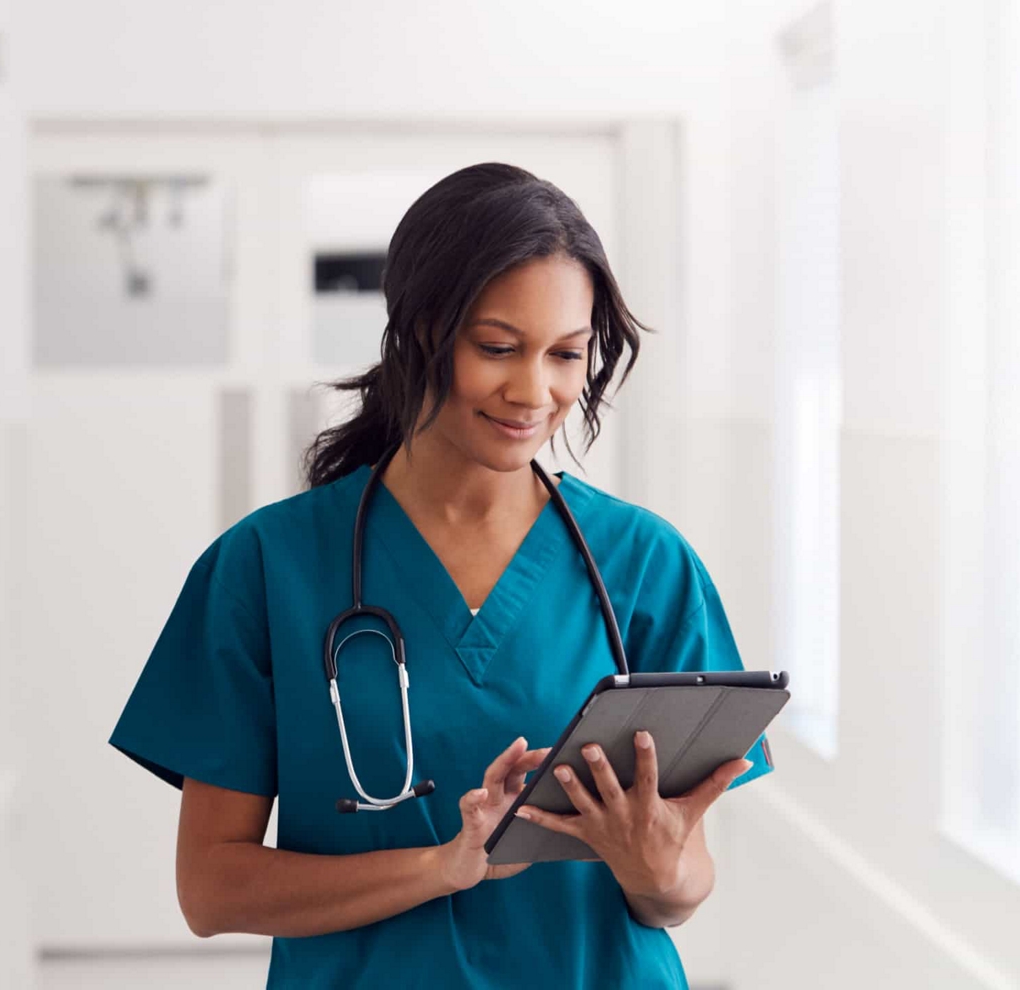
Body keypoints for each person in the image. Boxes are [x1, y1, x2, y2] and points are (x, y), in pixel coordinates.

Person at [108, 161, 773, 989]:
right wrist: (443, 865)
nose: (534, 391)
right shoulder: (266, 568)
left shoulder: (643, 566)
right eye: (498, 347)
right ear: (420, 329)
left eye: (567, 354)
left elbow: (681, 891)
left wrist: (655, 866)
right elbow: (210, 889)